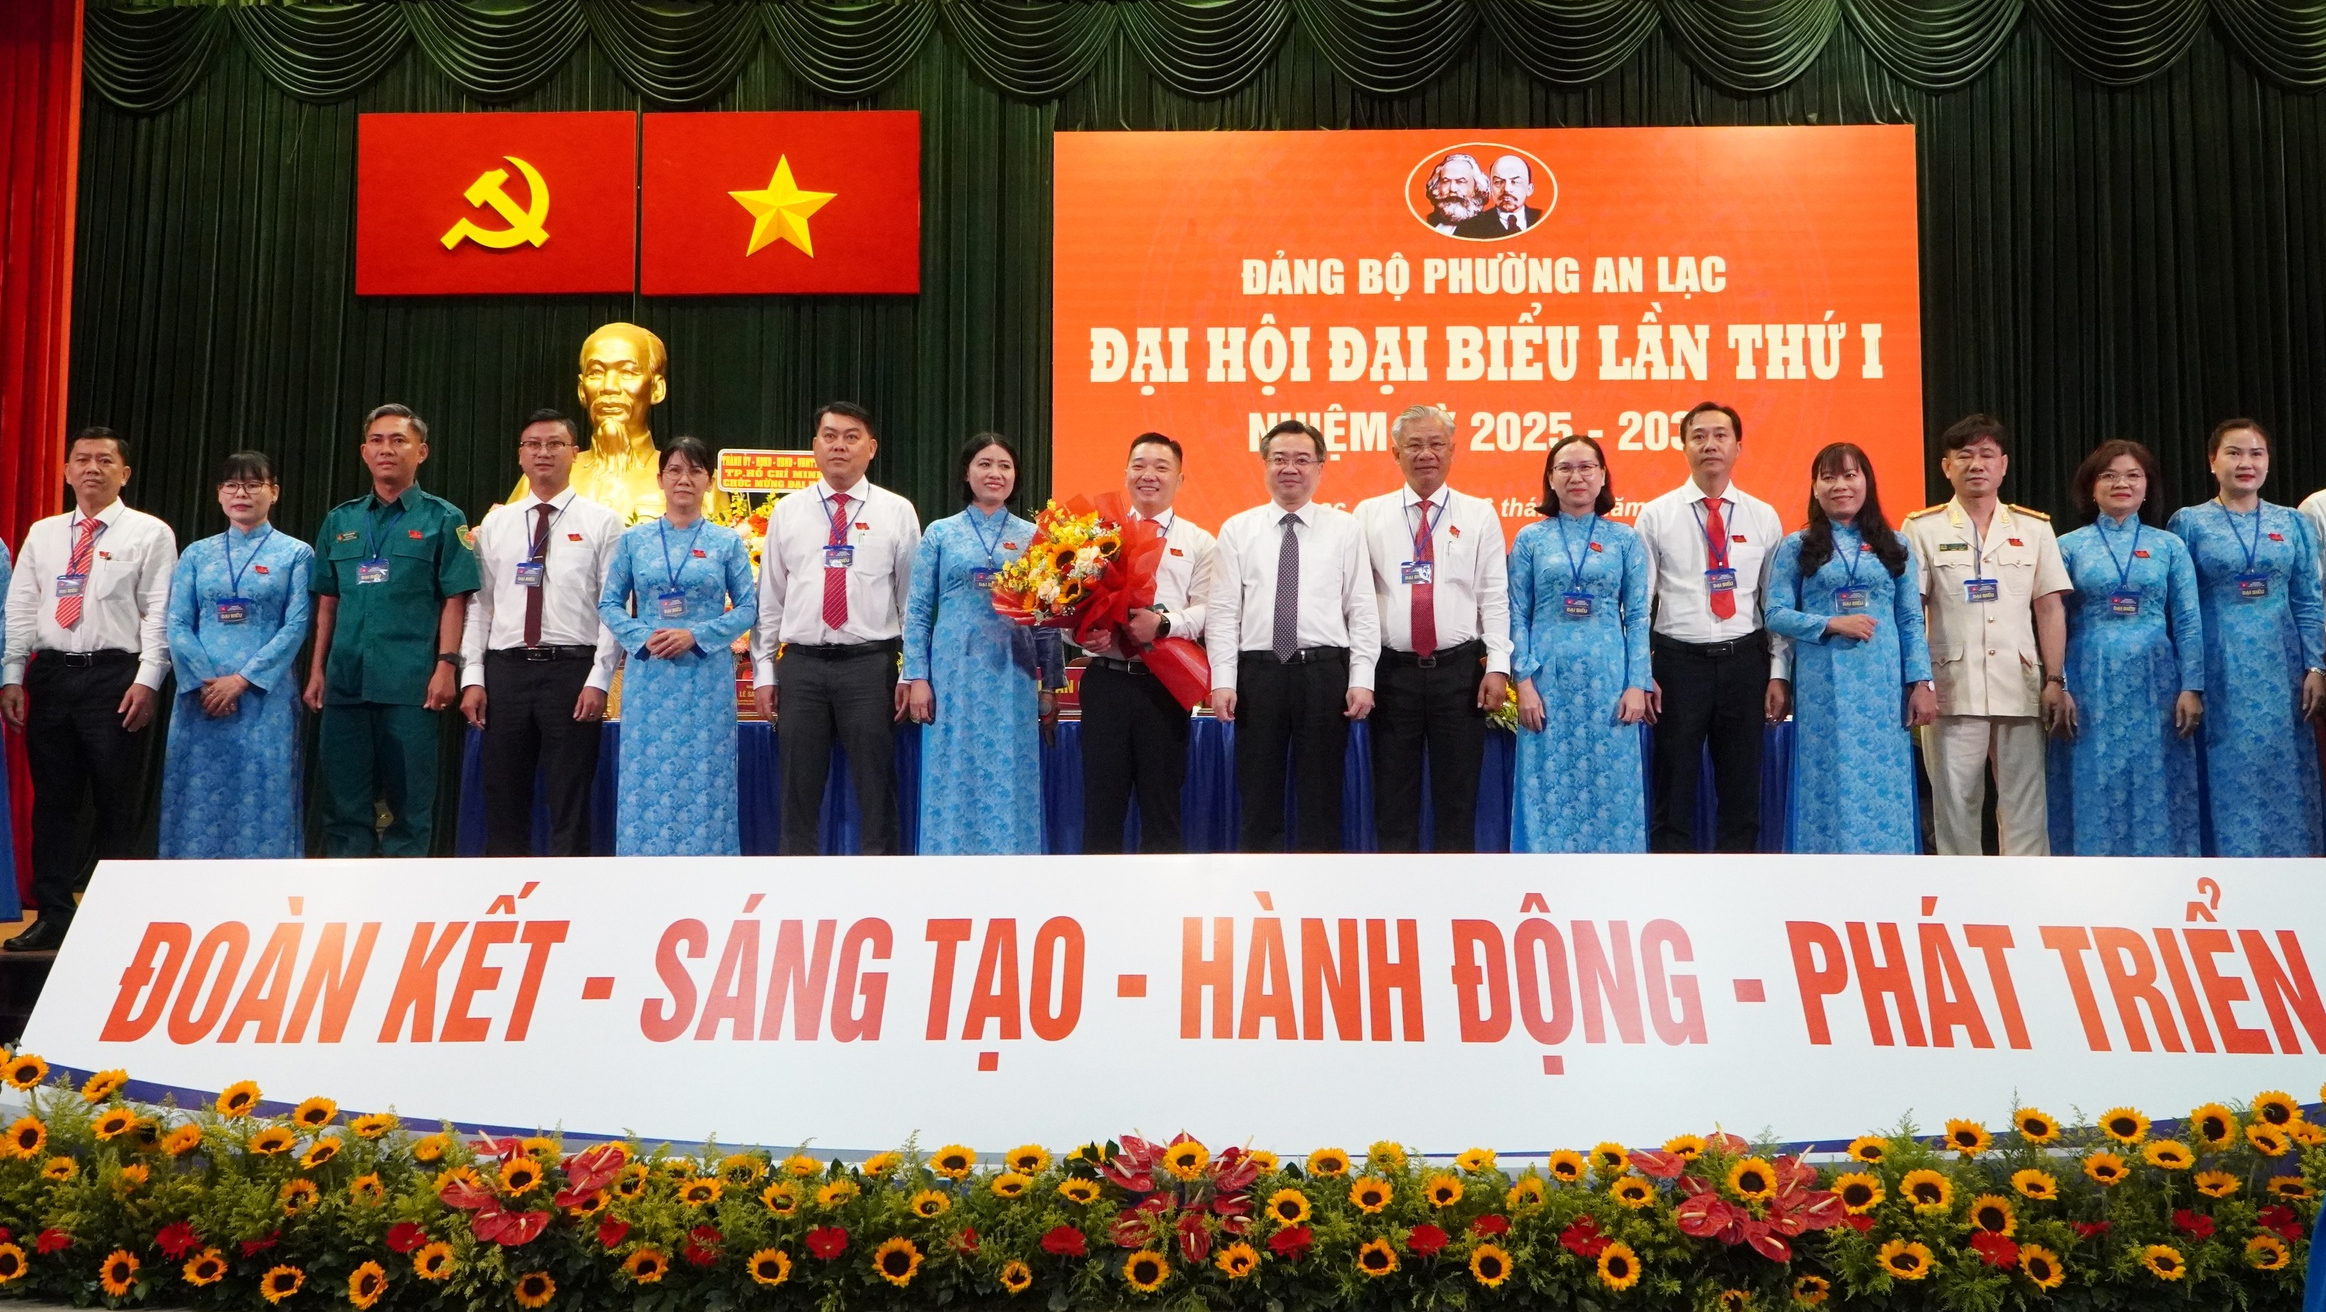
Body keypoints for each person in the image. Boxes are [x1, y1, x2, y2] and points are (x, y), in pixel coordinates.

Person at [0, 428, 176, 950]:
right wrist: (12, 675)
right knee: (53, 803)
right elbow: (21, 607)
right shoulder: (44, 533)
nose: (91, 468)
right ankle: (53, 913)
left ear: (125, 473)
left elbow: (160, 611)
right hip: (52, 675)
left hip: (115, 677)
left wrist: (148, 680)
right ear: (67, 471)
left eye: (104, 460)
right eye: (81, 459)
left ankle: (118, 918)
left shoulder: (149, 532)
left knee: (116, 802)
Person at [304, 404, 480, 858]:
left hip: (411, 683)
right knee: (343, 802)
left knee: (411, 802)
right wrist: (317, 670)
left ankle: (405, 889)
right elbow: (328, 602)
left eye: (399, 440)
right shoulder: (340, 520)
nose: (387, 449)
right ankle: (347, 888)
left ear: (421, 452)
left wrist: (447, 666)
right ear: (364, 452)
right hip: (345, 681)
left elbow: (455, 599)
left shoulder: (443, 518)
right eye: (377, 441)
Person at [750, 403, 921, 855]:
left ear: (871, 448)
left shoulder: (897, 511)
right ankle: (796, 883)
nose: (839, 446)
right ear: (815, 446)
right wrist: (763, 673)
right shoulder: (788, 511)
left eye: (851, 436)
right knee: (797, 791)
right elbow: (769, 601)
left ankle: (879, 882)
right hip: (802, 666)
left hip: (870, 667)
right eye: (829, 436)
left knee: (876, 787)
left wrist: (912, 671)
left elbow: (912, 603)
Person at [1901, 414, 2071, 856]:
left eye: (1986, 455)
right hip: (1952, 687)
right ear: (1946, 467)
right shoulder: (1923, 528)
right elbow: (1911, 610)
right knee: (1955, 808)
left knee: (2026, 809)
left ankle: (2026, 892)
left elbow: (2049, 608)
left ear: (2003, 465)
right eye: (1965, 455)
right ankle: (1963, 893)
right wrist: (1920, 680)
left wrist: (2056, 679)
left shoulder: (2034, 528)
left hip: (2020, 684)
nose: (1976, 464)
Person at [1207, 420, 1379, 852]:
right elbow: (1224, 612)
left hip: (1323, 674)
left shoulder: (1345, 529)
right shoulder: (1237, 530)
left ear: (1320, 467)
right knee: (1257, 797)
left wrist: (1362, 678)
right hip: (1258, 675)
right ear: (1264, 465)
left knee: (1322, 799)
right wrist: (1223, 680)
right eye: (1279, 459)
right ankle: (1259, 887)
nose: (1290, 468)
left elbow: (1361, 608)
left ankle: (1319, 889)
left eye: (1302, 459)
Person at [460, 409, 623, 857]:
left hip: (571, 671)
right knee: (502, 794)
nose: (543, 453)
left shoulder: (602, 522)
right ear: (520, 455)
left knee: (571, 796)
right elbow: (480, 606)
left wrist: (599, 679)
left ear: (575, 453)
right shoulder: (497, 524)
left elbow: (613, 607)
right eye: (533, 444)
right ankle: (505, 890)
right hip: (506, 672)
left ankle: (570, 891)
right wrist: (472, 677)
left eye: (555, 444)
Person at [1763, 444, 1935, 854]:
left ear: (1866, 482)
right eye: (1829, 477)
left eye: (1850, 475)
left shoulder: (1895, 545)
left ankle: (1888, 867)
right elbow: (1775, 613)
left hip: (1883, 687)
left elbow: (1910, 619)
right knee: (1827, 776)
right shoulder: (1797, 546)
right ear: (1815, 488)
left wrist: (1921, 681)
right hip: (1823, 685)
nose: (1840, 485)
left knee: (1883, 778)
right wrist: (1829, 623)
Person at [2168, 418, 2325, 857]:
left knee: (2285, 767)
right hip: (2220, 666)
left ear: (2268, 462)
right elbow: (2181, 608)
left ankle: (2294, 872)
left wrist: (2316, 666)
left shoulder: (2292, 522)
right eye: (2234, 453)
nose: (2246, 463)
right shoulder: (2189, 522)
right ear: (2212, 461)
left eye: (2256, 453)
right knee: (2226, 766)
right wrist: (2190, 679)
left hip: (2283, 669)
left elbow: (2309, 600)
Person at [1356, 404, 1510, 852]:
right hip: (1393, 673)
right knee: (1393, 799)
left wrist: (1498, 666)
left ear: (1453, 451)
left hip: (1458, 673)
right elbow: (1359, 601)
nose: (1426, 454)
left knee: (1458, 800)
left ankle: (1454, 891)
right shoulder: (1367, 515)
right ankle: (1396, 890)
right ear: (1395, 453)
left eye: (1436, 444)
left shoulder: (1479, 514)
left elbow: (1494, 595)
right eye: (1415, 445)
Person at [1635, 401, 1784, 853]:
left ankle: (1736, 884)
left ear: (1738, 446)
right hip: (1678, 665)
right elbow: (1638, 605)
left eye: (1721, 435)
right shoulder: (1655, 515)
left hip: (1745, 663)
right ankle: (1670, 885)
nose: (1710, 445)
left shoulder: (1763, 516)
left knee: (1742, 791)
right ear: (1684, 447)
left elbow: (1774, 604)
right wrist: (1641, 673)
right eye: (1698, 436)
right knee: (1673, 789)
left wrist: (1778, 673)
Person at [902, 435, 1063, 855]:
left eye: (1005, 466)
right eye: (985, 464)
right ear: (966, 473)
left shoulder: (1034, 535)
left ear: (1016, 476)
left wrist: (1050, 686)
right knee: (953, 768)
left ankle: (1012, 866)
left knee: (1009, 771)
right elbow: (917, 610)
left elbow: (1047, 619)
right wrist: (917, 676)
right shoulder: (940, 533)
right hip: (952, 675)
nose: (995, 473)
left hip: (1013, 674)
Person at [599, 437, 758, 856]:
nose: (684, 479)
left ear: (709, 481)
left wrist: (697, 636)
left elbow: (748, 607)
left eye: (694, 471)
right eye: (674, 470)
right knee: (647, 773)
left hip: (705, 679)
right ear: (660, 479)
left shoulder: (726, 542)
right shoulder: (635, 541)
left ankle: (709, 864)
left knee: (706, 773)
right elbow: (609, 602)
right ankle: (642, 864)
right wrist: (641, 637)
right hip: (650, 676)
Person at [2047, 440, 2203, 857]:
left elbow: (2188, 619)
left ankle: (2163, 871)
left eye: (2134, 475)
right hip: (2089, 677)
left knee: (2156, 774)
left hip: (2157, 680)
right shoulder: (2067, 546)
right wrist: (2059, 682)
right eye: (2109, 475)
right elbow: (2051, 620)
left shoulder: (2169, 546)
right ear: (2091, 487)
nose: (2122, 483)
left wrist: (2192, 686)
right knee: (2094, 773)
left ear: (2148, 487)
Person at [157, 452, 314, 860]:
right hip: (201, 695)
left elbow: (297, 625)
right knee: (196, 792)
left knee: (262, 790)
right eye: (231, 485)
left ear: (274, 492)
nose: (241, 493)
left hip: (263, 696)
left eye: (253, 484)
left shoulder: (296, 554)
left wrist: (242, 680)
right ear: (219, 494)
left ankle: (264, 887)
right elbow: (177, 622)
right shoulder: (196, 554)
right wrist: (206, 681)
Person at [1507, 436, 1651, 853]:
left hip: (1609, 683)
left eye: (1587, 467)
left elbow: (1638, 616)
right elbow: (1516, 613)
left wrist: (1637, 683)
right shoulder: (1530, 539)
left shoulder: (1624, 539)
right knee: (1547, 784)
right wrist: (1524, 683)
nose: (1577, 476)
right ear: (1550, 479)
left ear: (1603, 476)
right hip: (1547, 684)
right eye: (1565, 468)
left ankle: (1614, 876)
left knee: (1611, 784)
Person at [1077, 433, 1215, 853]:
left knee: (1162, 807)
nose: (1148, 474)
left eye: (1161, 466)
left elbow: (1209, 610)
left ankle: (1165, 894)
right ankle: (1098, 892)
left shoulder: (1199, 541)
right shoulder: (1097, 537)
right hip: (1107, 682)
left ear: (1180, 479)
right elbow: (1067, 605)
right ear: (1125, 474)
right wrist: (1083, 633)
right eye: (1139, 465)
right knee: (1102, 809)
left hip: (1165, 685)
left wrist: (1164, 624)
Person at [1455, 155, 1543, 237]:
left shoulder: (1541, 218)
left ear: (1529, 189)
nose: (1507, 189)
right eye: (1498, 182)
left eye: (1515, 182)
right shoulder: (1470, 227)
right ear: (1490, 187)